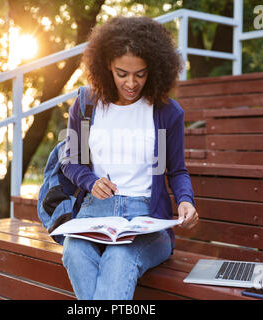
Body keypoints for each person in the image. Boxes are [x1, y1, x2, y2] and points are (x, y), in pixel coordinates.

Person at [60, 16, 199, 300]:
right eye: (122, 73)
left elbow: (176, 171)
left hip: (146, 218)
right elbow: (70, 159)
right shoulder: (87, 105)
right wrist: (90, 180)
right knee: (73, 252)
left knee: (119, 258)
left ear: (156, 69)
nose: (131, 83)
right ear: (106, 66)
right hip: (94, 214)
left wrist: (186, 201)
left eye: (141, 74)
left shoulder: (166, 113)